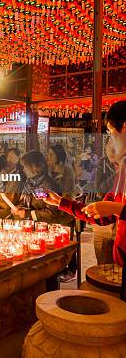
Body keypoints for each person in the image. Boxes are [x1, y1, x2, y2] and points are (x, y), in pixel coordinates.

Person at [44, 100, 126, 299]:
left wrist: (116, 208)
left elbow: (113, 209)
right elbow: (101, 216)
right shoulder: (122, 174)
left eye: (109, 131)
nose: (109, 138)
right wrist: (61, 203)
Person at [15, 150, 73, 225]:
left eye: (25, 166)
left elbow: (52, 214)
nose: (23, 169)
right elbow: (24, 202)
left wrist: (28, 214)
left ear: (34, 166)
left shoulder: (48, 186)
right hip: (32, 224)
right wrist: (19, 208)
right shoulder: (29, 183)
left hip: (49, 227)